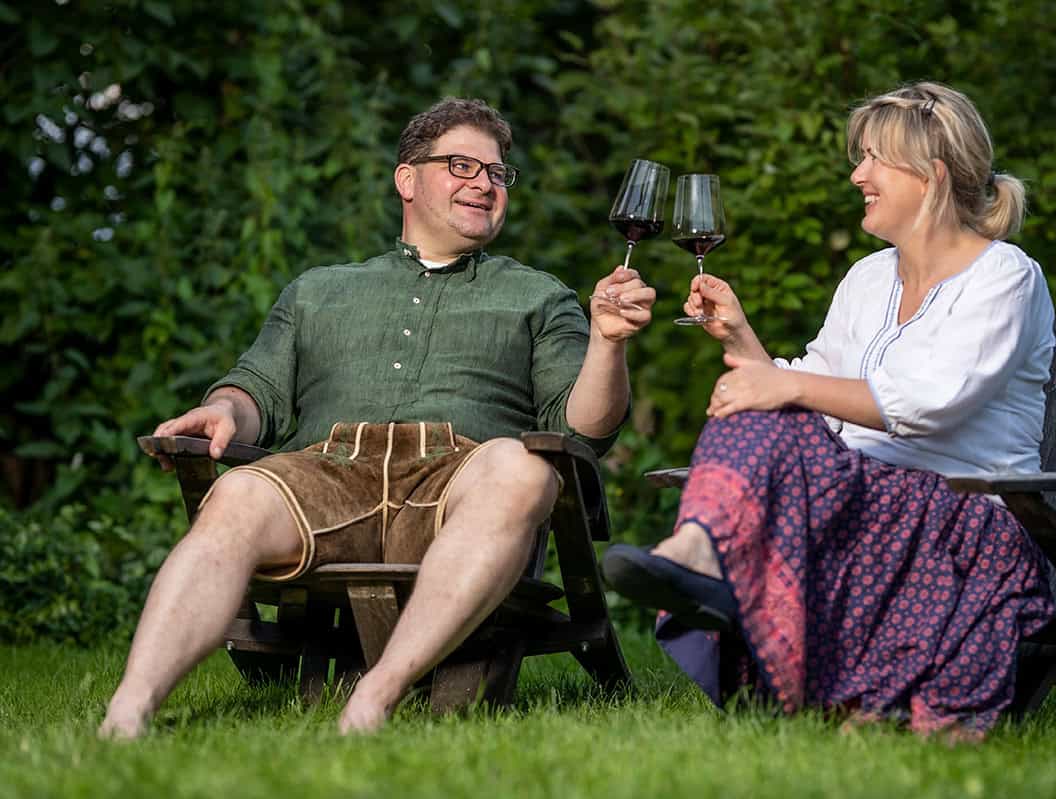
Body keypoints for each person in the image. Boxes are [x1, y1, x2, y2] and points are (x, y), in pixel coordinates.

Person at [100, 97, 655, 738]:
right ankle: (129, 710)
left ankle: (375, 696)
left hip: (458, 484)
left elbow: (583, 429)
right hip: (328, 475)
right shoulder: (319, 290)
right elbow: (257, 390)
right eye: (462, 165)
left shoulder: (537, 295)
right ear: (407, 178)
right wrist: (221, 411)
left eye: (497, 173)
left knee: (522, 468)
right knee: (237, 493)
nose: (485, 183)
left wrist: (607, 342)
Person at [603, 82, 1056, 739]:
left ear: (929, 177)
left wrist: (777, 389)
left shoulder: (1004, 277)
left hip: (964, 522)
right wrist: (741, 339)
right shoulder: (869, 279)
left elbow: (930, 403)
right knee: (755, 411)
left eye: (874, 158)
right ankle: (701, 552)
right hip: (867, 507)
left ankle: (706, 555)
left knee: (767, 407)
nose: (857, 174)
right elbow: (813, 385)